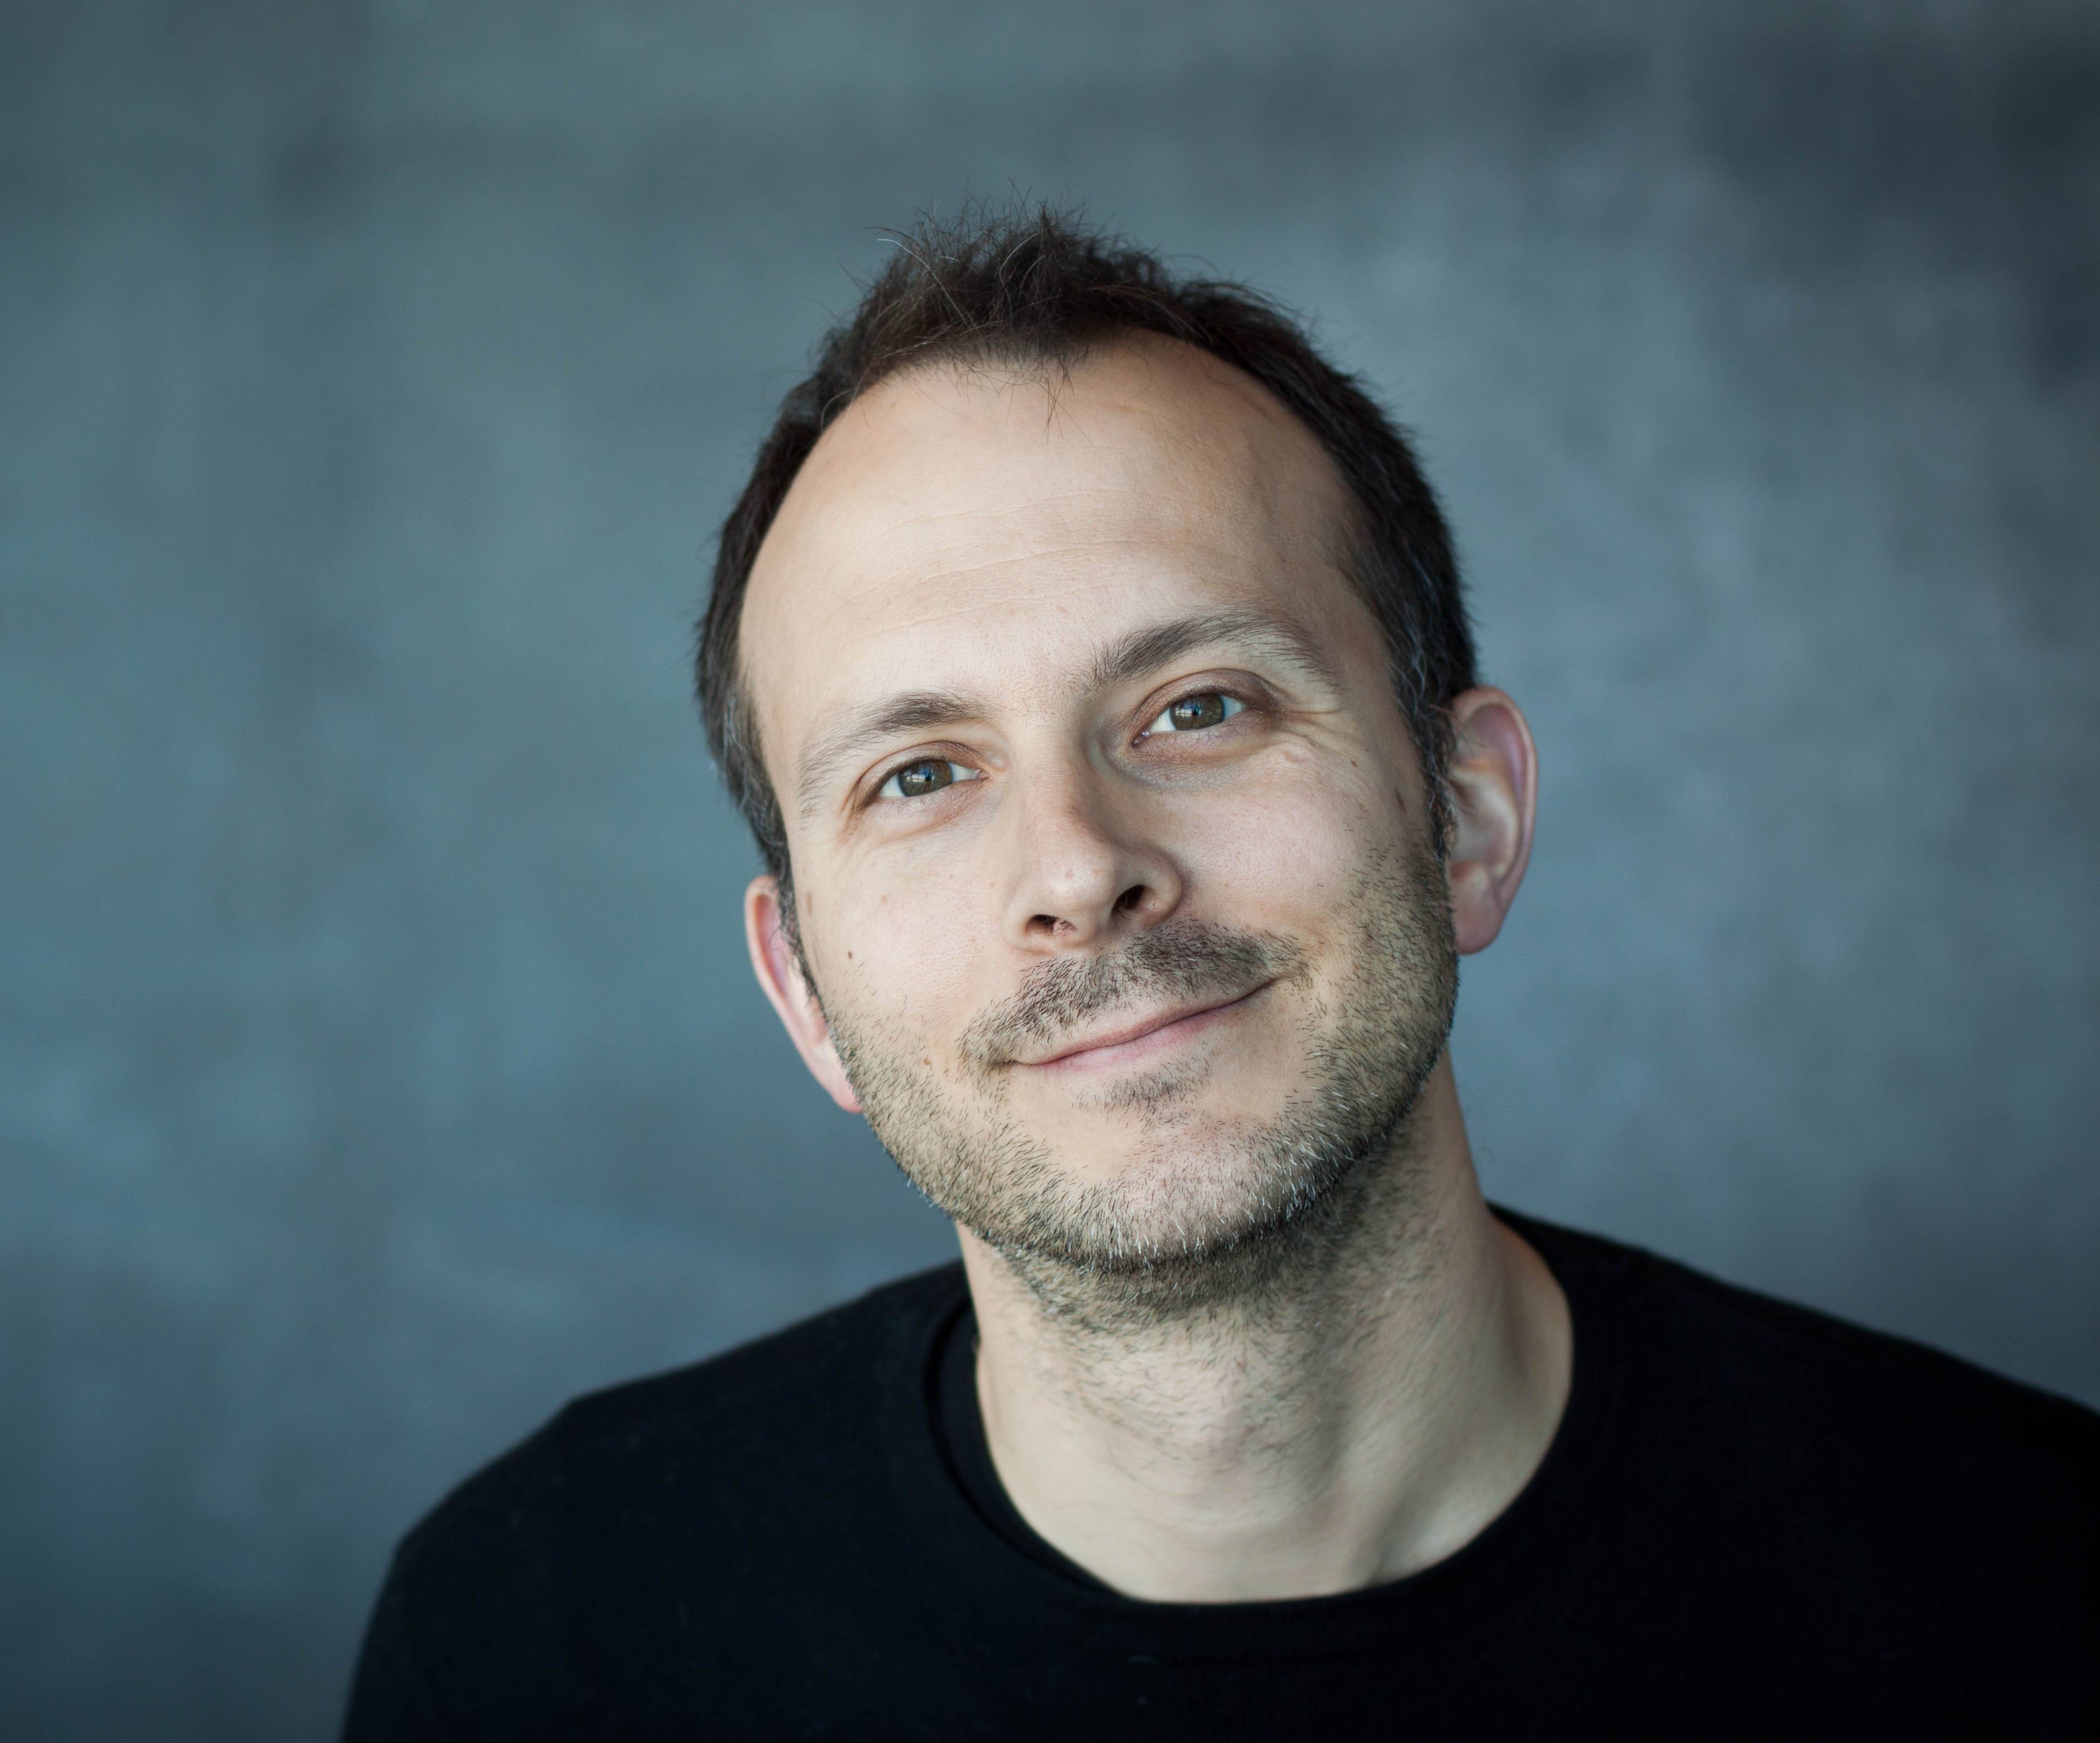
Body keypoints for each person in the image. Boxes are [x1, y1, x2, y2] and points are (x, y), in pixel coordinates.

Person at [346, 211, 2097, 1738]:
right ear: (803, 991)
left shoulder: (2025, 1591)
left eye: (1197, 708)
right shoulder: (542, 1637)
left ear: (1466, 819)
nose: (1078, 868)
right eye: (921, 774)